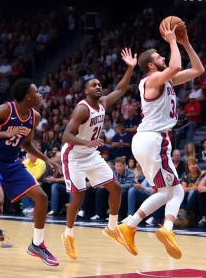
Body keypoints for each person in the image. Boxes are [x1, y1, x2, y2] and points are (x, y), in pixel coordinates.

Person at [117, 21, 204, 259]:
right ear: (152, 65)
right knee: (174, 193)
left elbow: (198, 70)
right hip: (154, 139)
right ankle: (157, 228)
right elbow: (175, 66)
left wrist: (185, 42)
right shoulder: (151, 80)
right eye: (159, 55)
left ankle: (134, 226)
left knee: (170, 192)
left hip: (149, 140)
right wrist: (173, 41)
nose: (164, 56)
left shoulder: (165, 80)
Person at [0, 79, 61, 268]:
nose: (40, 95)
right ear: (28, 96)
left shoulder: (35, 116)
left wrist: (46, 158)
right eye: (37, 92)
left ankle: (37, 245)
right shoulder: (5, 110)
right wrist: (4, 134)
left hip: (12, 163)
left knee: (41, 197)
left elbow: (26, 142)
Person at [61, 48, 137, 260]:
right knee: (78, 198)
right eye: (93, 85)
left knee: (116, 188)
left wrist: (130, 68)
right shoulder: (82, 109)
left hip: (91, 154)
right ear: (85, 91)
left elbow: (121, 90)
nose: (98, 87)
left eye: (99, 85)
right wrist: (88, 141)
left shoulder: (102, 103)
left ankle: (112, 227)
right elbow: (65, 136)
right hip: (74, 156)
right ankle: (68, 235)